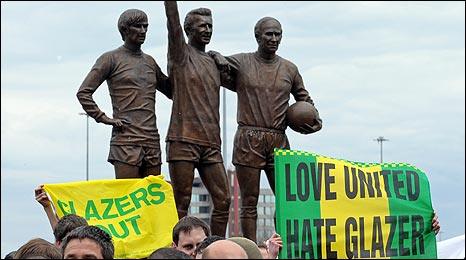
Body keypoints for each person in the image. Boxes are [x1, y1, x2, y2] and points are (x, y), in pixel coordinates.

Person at [209, 16, 322, 242]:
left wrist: (313, 120)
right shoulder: (242, 62)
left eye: (277, 34)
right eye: (269, 34)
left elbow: (305, 99)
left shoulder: (290, 69)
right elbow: (213, 61)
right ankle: (251, 248)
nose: (273, 38)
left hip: (278, 140)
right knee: (249, 201)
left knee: (286, 199)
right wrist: (216, 56)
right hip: (249, 138)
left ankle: (286, 244)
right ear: (257, 36)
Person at [76, 9, 171, 179]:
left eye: (146, 27)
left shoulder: (150, 62)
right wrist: (103, 118)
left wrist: (180, 65)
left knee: (151, 201)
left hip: (151, 140)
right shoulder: (110, 58)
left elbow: (172, 92)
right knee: (127, 197)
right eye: (138, 26)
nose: (143, 31)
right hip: (125, 140)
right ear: (125, 30)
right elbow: (84, 92)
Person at [163, 0, 230, 237]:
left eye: (210, 26)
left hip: (211, 144)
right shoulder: (180, 54)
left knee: (224, 200)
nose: (208, 30)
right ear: (189, 30)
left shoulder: (214, 62)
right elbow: (172, 21)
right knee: (181, 202)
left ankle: (216, 246)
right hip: (183, 140)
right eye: (202, 26)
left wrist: (222, 59)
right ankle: (178, 248)